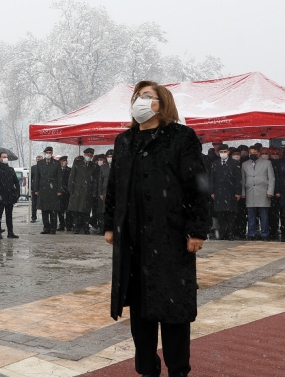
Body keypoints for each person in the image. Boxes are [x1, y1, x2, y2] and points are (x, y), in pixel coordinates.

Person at [104, 80, 209, 377]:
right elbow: (114, 186)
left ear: (162, 104)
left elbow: (197, 186)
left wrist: (198, 229)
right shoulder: (125, 140)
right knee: (140, 312)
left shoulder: (181, 137)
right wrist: (110, 224)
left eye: (147, 96)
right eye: (137, 96)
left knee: (173, 311)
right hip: (133, 241)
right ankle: (147, 369)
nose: (140, 100)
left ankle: (178, 370)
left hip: (170, 238)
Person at [208, 144, 241, 240]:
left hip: (231, 191)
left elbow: (238, 179)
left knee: (231, 215)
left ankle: (230, 233)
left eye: (225, 151)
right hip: (219, 192)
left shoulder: (234, 163)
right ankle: (222, 233)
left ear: (228, 152)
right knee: (220, 215)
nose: (223, 153)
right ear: (218, 153)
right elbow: (212, 179)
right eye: (221, 152)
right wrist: (212, 192)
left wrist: (238, 192)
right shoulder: (216, 163)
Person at [242, 145, 275, 241]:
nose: (252, 155)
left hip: (263, 192)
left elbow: (271, 178)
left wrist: (270, 191)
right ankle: (252, 234)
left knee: (263, 215)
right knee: (251, 215)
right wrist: (243, 192)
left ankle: (264, 234)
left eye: (255, 153)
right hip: (250, 192)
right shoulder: (245, 164)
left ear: (259, 153)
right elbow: (243, 180)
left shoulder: (267, 163)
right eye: (251, 153)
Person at [0, 152, 21, 239]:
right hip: (0, 196)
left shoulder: (11, 169)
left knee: (9, 215)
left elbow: (16, 182)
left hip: (10, 195)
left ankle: (10, 232)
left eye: (6, 157)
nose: (5, 159)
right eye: (4, 157)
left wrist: (17, 193)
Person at [33, 146, 63, 234]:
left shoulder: (56, 163)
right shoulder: (40, 163)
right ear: (44, 153)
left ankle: (53, 228)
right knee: (44, 210)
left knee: (53, 210)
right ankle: (46, 228)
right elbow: (37, 177)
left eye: (50, 152)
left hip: (53, 189)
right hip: (43, 189)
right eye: (47, 153)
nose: (48, 154)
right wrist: (36, 189)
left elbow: (59, 177)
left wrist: (59, 190)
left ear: (52, 153)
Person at [69, 149, 98, 235]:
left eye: (90, 155)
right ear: (84, 155)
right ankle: (77, 227)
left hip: (88, 190)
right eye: (87, 155)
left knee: (86, 210)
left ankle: (86, 227)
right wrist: (70, 188)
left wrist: (94, 191)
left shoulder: (93, 166)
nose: (89, 156)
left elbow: (95, 180)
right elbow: (72, 176)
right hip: (77, 189)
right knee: (77, 209)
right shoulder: (77, 163)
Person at [95, 153, 111, 235]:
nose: (110, 158)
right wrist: (100, 193)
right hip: (104, 192)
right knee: (102, 211)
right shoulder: (103, 167)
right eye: (108, 157)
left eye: (111, 157)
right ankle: (102, 228)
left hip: (113, 191)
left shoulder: (117, 166)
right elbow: (100, 181)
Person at [57, 156, 71, 231]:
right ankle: (61, 224)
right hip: (60, 193)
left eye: (65, 160)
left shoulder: (70, 170)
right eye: (63, 160)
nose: (64, 162)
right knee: (60, 210)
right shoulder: (57, 170)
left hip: (68, 193)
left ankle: (68, 224)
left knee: (68, 210)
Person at [30, 155, 42, 223]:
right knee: (34, 204)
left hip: (42, 188)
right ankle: (33, 217)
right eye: (38, 159)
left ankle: (44, 217)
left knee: (43, 204)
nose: (39, 160)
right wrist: (31, 188)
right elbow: (30, 178)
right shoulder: (33, 168)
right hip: (34, 188)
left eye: (40, 159)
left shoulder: (44, 167)